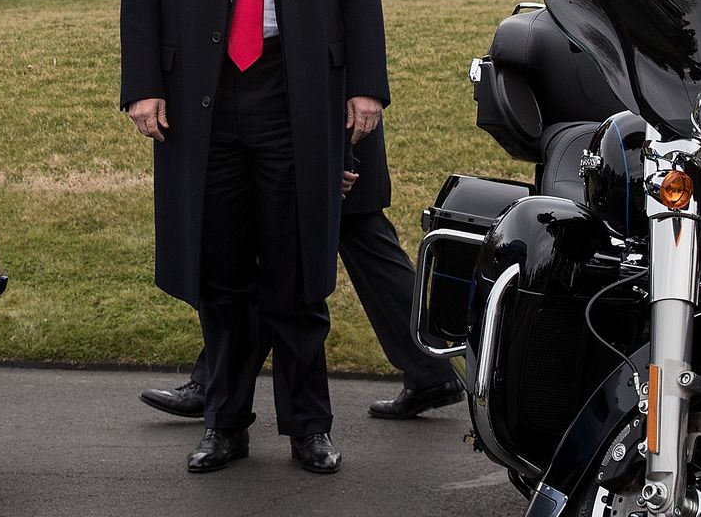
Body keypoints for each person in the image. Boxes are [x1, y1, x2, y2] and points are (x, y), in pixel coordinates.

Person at [119, 0, 388, 475]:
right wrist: (142, 85)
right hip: (202, 98)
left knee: (299, 268)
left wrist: (366, 85)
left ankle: (308, 425)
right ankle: (225, 422)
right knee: (220, 270)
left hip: (294, 89)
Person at [138, 125, 461, 423]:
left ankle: (212, 382)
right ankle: (431, 370)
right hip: (328, 131)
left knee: (285, 254)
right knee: (362, 242)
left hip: (322, 134)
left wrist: (341, 152)